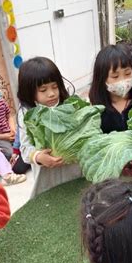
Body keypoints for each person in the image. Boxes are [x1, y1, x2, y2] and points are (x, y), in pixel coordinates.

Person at [17, 57, 82, 198]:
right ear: (29, 92)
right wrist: (38, 156)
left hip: (75, 170)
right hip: (47, 177)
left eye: (54, 87)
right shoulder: (26, 114)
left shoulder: (72, 105)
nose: (51, 93)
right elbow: (24, 148)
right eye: (43, 90)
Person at [89, 44, 132, 181]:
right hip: (113, 176)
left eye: (127, 74)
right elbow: (96, 146)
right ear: (102, 79)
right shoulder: (96, 110)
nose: (123, 81)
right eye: (115, 76)